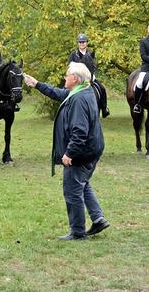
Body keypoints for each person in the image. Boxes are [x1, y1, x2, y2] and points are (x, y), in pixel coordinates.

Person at [24, 62, 108, 240]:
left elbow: (79, 132)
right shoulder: (83, 90)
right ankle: (98, 218)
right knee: (81, 183)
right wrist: (37, 84)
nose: (64, 77)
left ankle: (77, 232)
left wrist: (69, 153)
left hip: (82, 153)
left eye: (67, 75)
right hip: (93, 149)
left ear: (76, 79)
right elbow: (59, 93)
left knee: (72, 190)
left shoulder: (78, 99)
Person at [68, 33, 109, 118]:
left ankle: (104, 109)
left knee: (102, 88)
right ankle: (67, 109)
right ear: (78, 43)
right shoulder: (73, 55)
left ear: (86, 43)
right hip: (77, 79)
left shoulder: (91, 54)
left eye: (83, 42)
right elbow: (70, 67)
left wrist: (93, 75)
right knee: (66, 91)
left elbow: (94, 66)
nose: (82, 43)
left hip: (90, 78)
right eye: (80, 42)